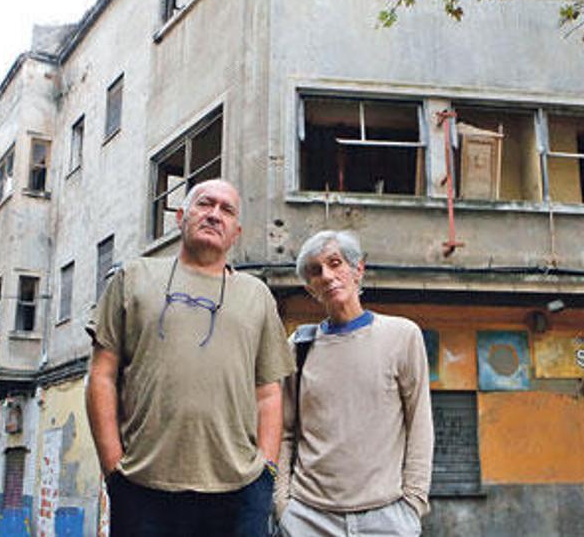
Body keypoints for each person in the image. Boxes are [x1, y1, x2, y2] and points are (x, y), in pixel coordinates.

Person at [85, 179, 294, 536]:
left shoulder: (257, 295)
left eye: (226, 210)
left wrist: (267, 473)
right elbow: (101, 376)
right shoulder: (134, 277)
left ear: (236, 232)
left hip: (239, 492)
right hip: (142, 487)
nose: (214, 215)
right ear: (181, 216)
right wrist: (113, 469)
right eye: (204, 204)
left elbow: (269, 392)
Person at [275, 230, 433, 537]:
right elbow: (284, 431)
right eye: (315, 271)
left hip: (387, 516)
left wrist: (413, 501)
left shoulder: (402, 336)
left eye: (335, 263)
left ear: (358, 269)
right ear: (311, 289)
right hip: (309, 517)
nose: (328, 276)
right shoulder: (298, 346)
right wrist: (283, 505)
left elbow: (420, 423)